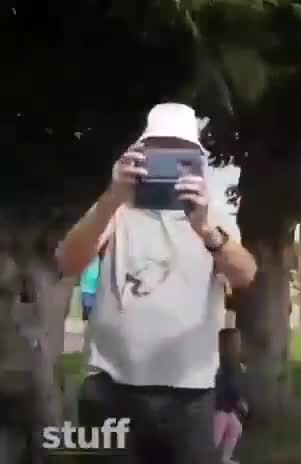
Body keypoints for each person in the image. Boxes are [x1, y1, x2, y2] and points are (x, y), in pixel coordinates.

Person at [57, 103, 258, 464]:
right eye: (157, 150)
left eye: (179, 154)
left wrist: (206, 231)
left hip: (190, 396)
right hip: (108, 389)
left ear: (197, 161)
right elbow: (67, 262)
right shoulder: (116, 209)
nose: (166, 163)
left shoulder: (213, 218)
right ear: (141, 154)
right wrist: (110, 197)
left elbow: (245, 275)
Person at [214, 329, 248, 464]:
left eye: (239, 340)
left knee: (235, 428)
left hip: (226, 407)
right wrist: (238, 401)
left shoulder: (232, 361)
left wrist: (241, 368)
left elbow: (234, 381)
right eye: (236, 341)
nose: (239, 344)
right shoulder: (222, 363)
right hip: (219, 408)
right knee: (215, 439)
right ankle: (210, 459)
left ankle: (225, 459)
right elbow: (228, 386)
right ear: (226, 344)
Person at [79, 255, 101, 322]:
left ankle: (86, 315)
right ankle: (85, 315)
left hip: (90, 284)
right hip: (89, 285)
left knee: (88, 303)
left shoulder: (95, 257)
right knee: (87, 303)